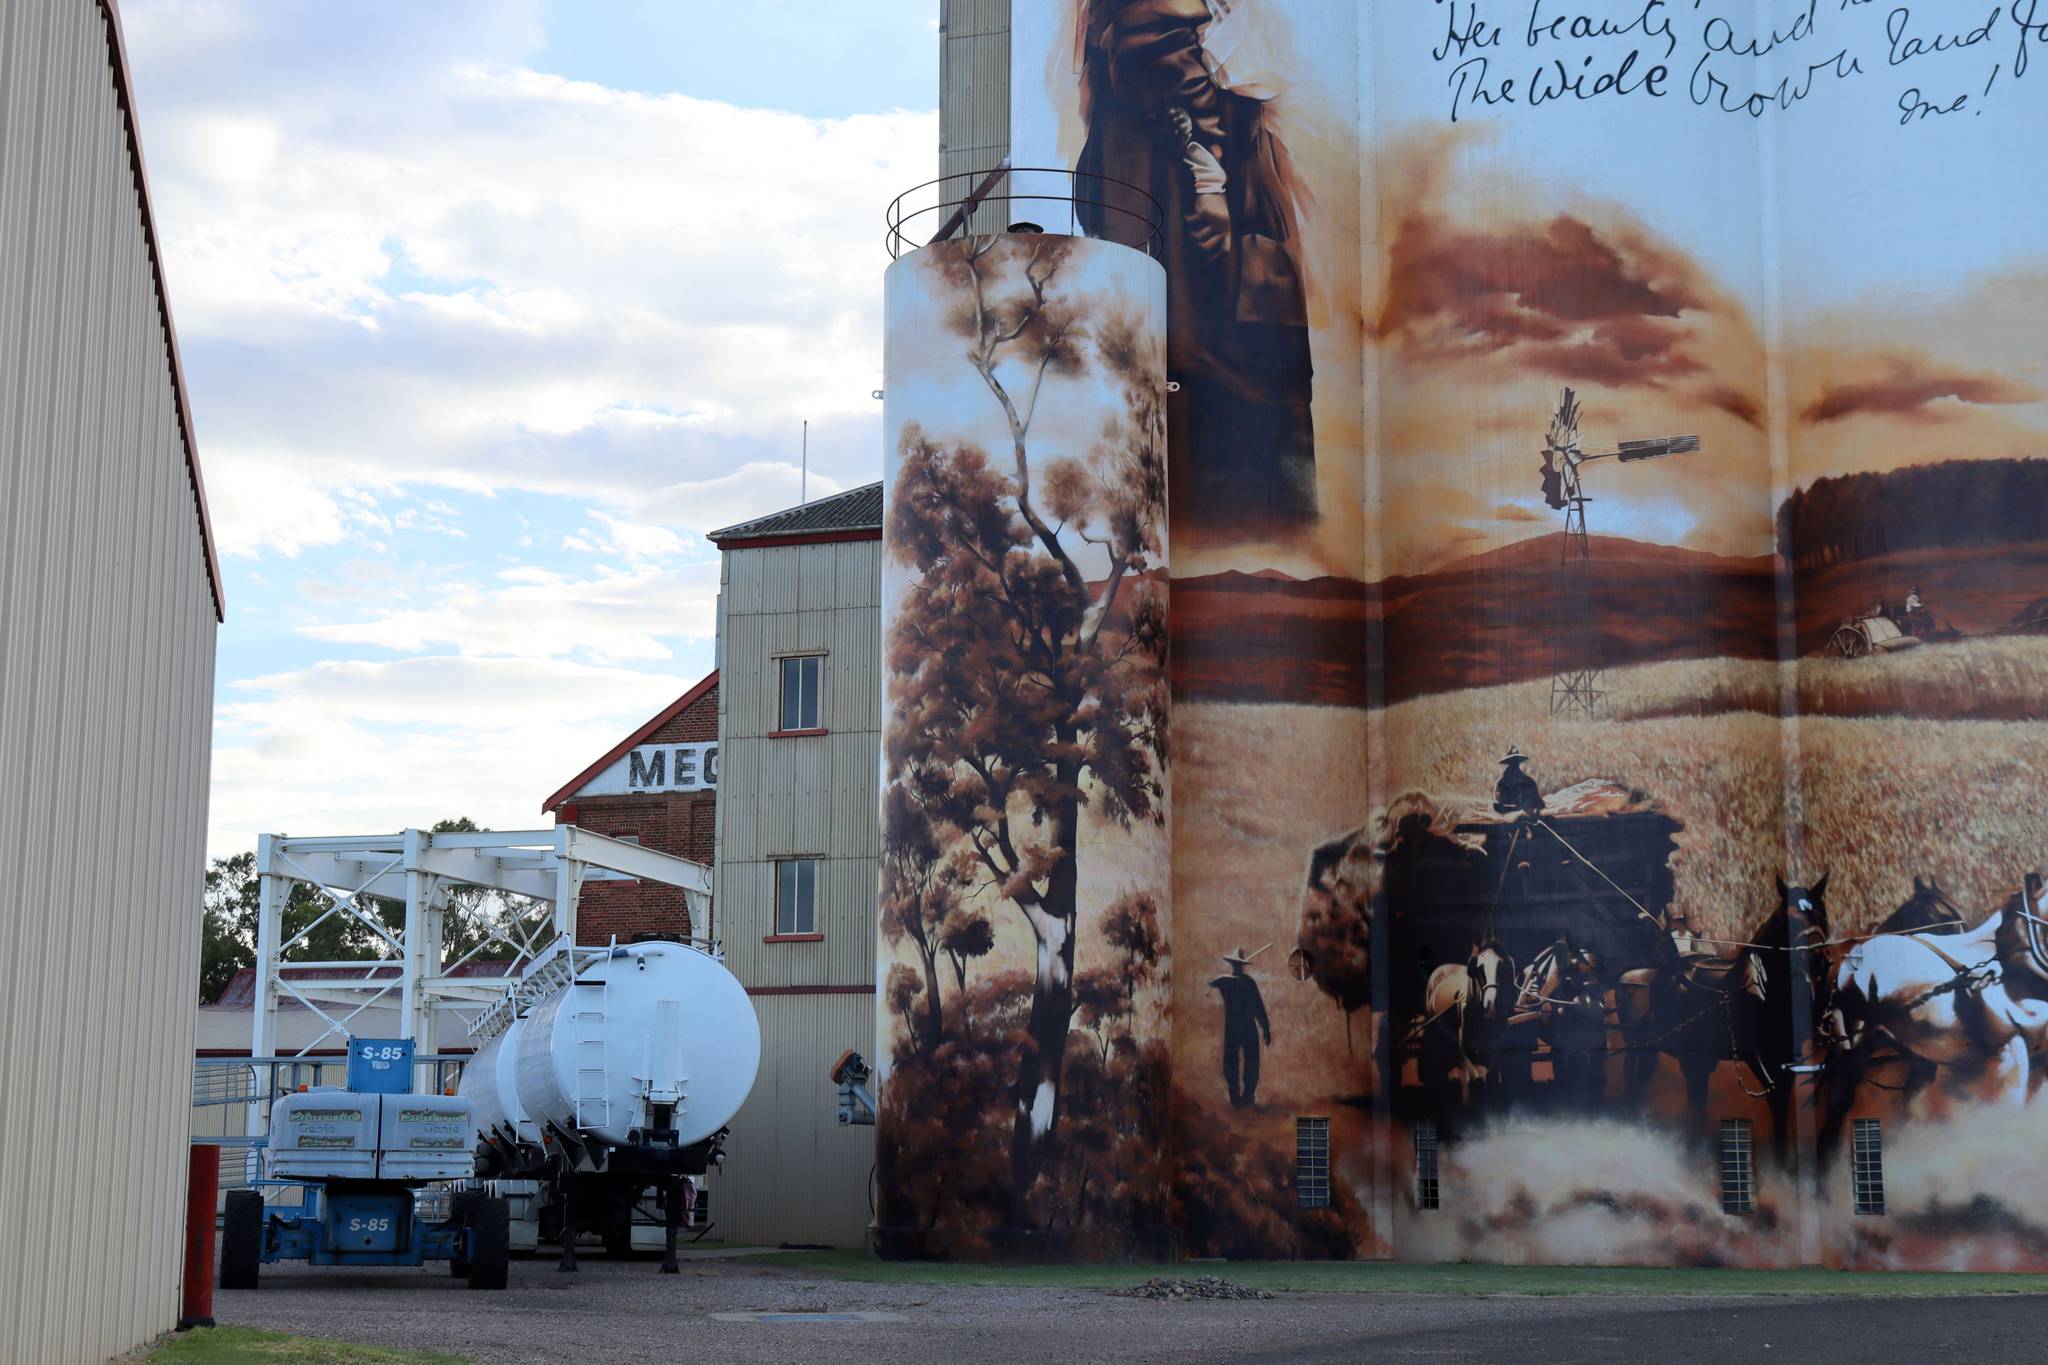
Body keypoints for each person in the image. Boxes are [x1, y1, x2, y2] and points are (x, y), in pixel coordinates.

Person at [1074, 0, 1317, 538]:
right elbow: (1164, 64)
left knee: (1241, 395)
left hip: (1216, 225)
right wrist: (1210, 186)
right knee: (1218, 392)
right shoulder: (1150, 27)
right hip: (1196, 231)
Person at [1210, 946, 1273, 1107]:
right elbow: (1258, 1007)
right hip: (1246, 1026)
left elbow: (1213, 982)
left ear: (1233, 964)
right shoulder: (1247, 982)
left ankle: (1241, 1097)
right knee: (1246, 1059)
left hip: (1234, 1027)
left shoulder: (1224, 981)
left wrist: (1265, 1028)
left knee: (1237, 1060)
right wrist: (1265, 1028)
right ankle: (1244, 1096)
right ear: (1241, 965)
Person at [1493, 746, 1543, 817]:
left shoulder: (1528, 781)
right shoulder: (1501, 783)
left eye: (1516, 762)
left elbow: (1538, 802)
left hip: (1528, 813)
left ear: (1518, 763)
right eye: (1512, 762)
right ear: (1508, 763)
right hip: (1509, 813)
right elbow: (1498, 803)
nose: (1514, 765)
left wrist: (1532, 807)